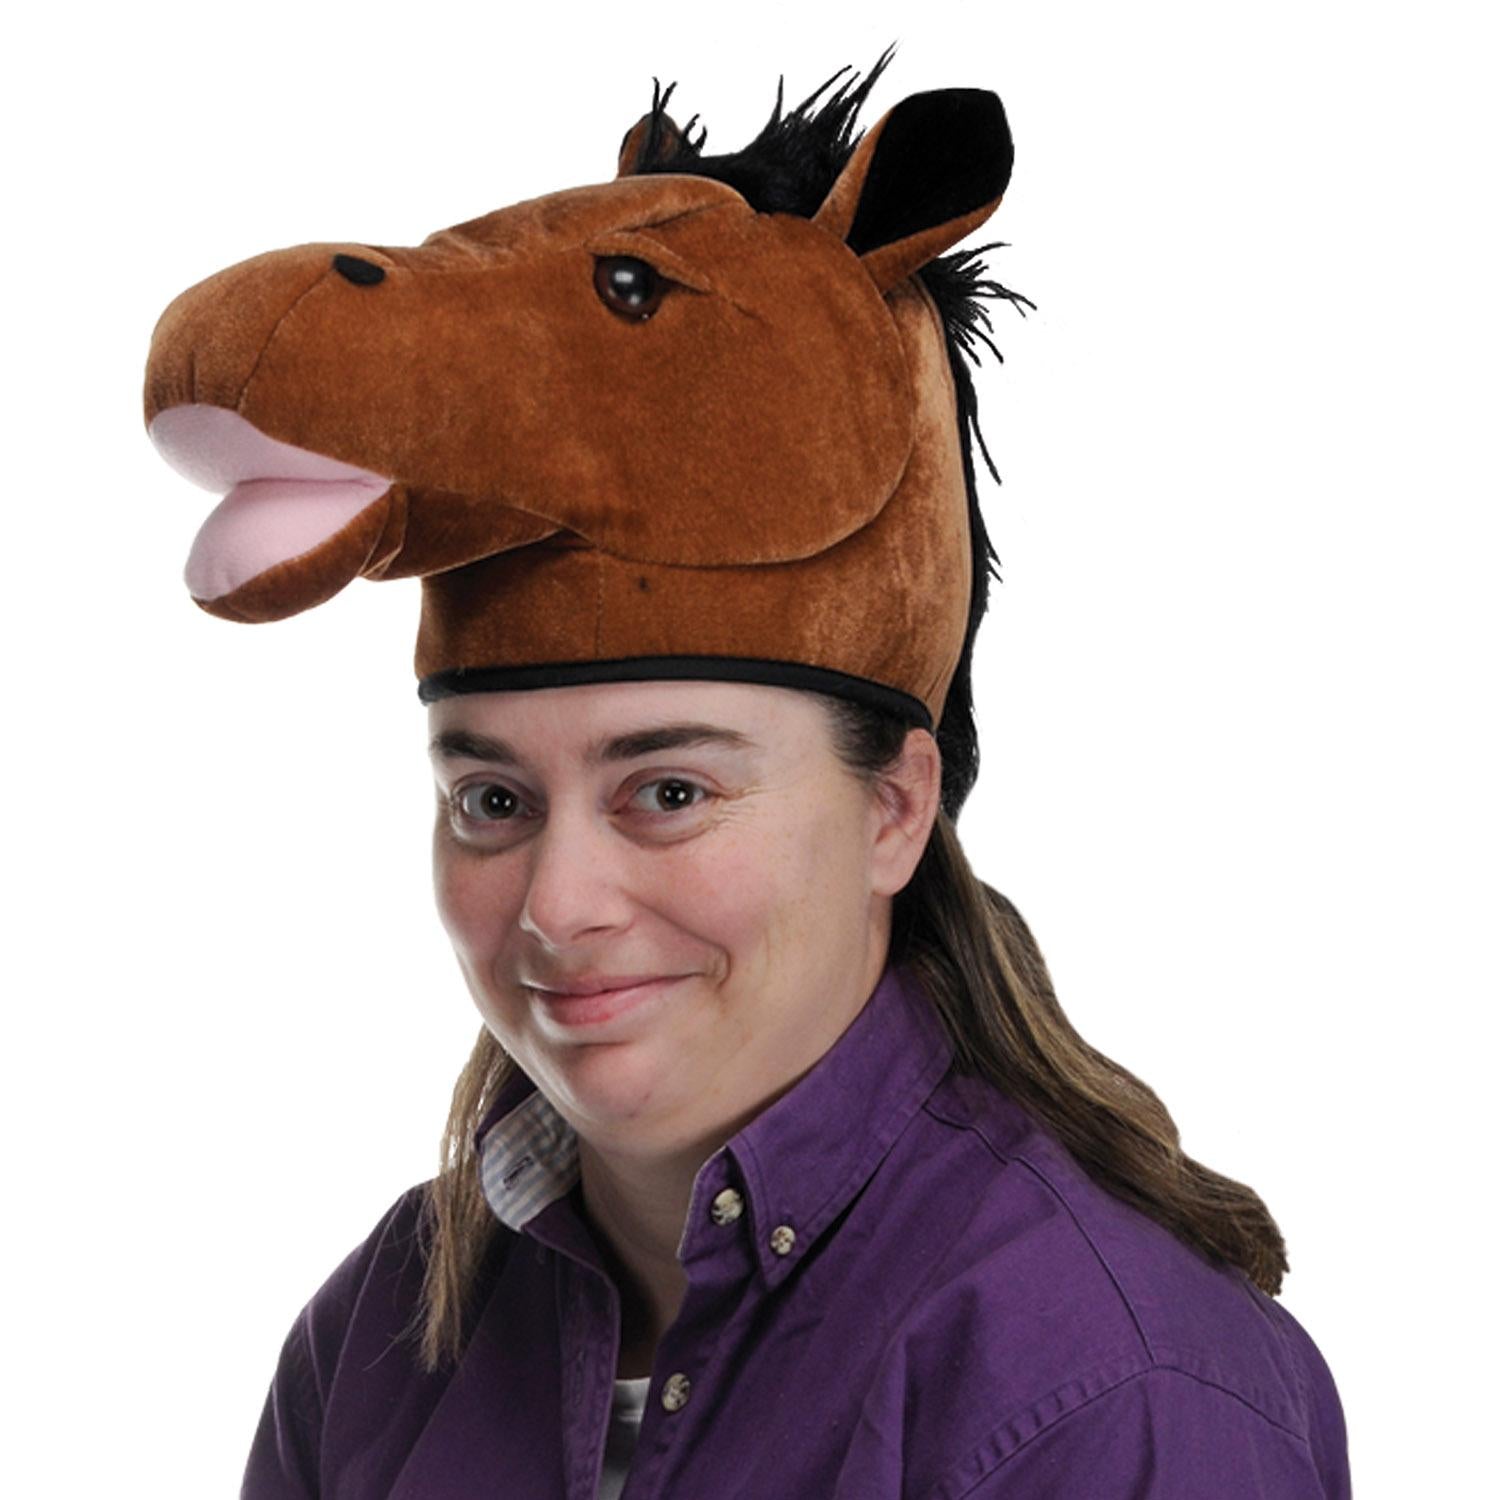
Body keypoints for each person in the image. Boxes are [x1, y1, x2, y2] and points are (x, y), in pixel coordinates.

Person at [142, 46, 1350, 1500]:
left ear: (895, 808)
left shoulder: (1109, 1386)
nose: (558, 906)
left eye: (669, 793)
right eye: (493, 801)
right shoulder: (386, 1339)